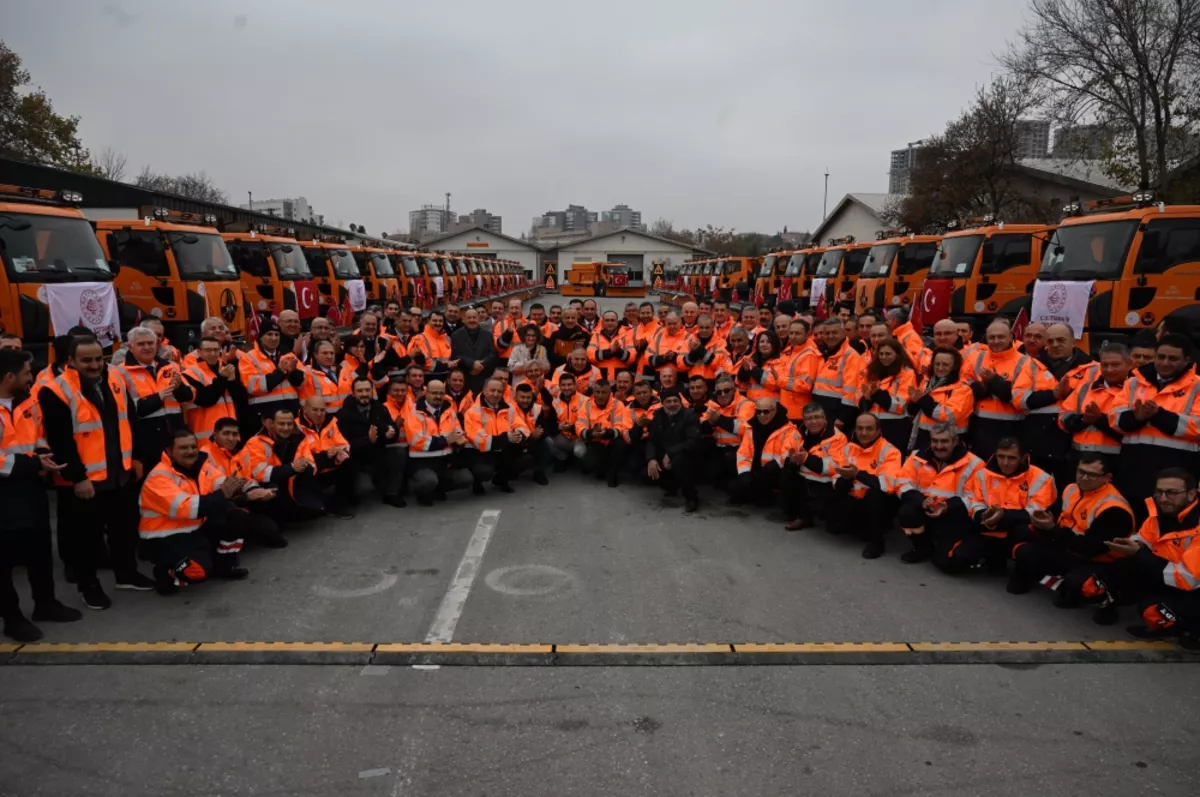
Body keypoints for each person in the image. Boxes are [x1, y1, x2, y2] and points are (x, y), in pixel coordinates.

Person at [40, 337, 153, 608]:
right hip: (86, 481)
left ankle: (126, 573)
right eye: (86, 360)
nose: (94, 365)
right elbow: (61, 441)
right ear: (72, 361)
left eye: (98, 359)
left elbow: (131, 420)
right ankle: (88, 585)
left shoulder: (115, 378)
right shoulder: (55, 390)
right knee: (86, 539)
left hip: (120, 473)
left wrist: (137, 458)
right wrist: (78, 478)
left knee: (123, 530)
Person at [0, 349, 80, 641]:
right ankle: (12, 618)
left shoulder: (27, 402)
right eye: (25, 373)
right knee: (4, 560)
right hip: (4, 495)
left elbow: (37, 435)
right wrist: (34, 463)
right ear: (9, 377)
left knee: (40, 550)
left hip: (30, 488)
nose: (30, 377)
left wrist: (44, 452)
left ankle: (45, 603)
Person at [1009, 454, 1135, 615]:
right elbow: (1056, 517)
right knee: (1024, 547)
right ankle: (1046, 580)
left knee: (1074, 587)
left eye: (1091, 475)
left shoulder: (1113, 508)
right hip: (1068, 548)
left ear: (1107, 477)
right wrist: (1042, 522)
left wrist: (1052, 530)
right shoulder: (1071, 489)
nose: (1083, 478)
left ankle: (1103, 598)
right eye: (1081, 471)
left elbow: (1092, 549)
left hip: (1099, 561)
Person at [139, 429, 251, 595]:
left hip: (194, 528)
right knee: (198, 572)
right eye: (184, 448)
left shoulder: (200, 465)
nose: (190, 451)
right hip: (165, 538)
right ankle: (166, 574)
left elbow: (219, 482)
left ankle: (224, 566)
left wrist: (240, 488)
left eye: (193, 446)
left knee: (237, 515)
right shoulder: (159, 477)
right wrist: (223, 494)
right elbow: (186, 508)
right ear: (169, 451)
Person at [1110, 333, 1200, 522]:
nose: (1165, 362)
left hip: (1177, 472)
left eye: (1173, 358)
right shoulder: (1134, 381)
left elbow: (1197, 426)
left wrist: (1159, 415)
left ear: (1187, 360)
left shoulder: (1197, 386)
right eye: (1161, 356)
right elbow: (1114, 419)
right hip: (1133, 469)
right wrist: (1137, 417)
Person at [1114, 468, 1200, 647]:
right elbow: (1144, 538)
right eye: (1159, 492)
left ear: (1192, 494)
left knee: (1152, 610)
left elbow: (1188, 579)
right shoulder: (1160, 514)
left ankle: (1193, 632)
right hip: (1171, 578)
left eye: (1171, 493)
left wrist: (1139, 554)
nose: (1163, 498)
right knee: (1121, 570)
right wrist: (1131, 544)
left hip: (1192, 587)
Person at [1015, 323, 1098, 490]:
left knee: (1068, 491)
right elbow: (1019, 400)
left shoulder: (1093, 368)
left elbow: (1094, 401)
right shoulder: (1032, 365)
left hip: (1073, 442)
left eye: (1061, 340)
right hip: (1038, 442)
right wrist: (1054, 394)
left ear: (1073, 342)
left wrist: (1067, 395)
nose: (1055, 345)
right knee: (1035, 490)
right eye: (1050, 341)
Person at [894, 423, 987, 568]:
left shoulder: (975, 464)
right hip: (925, 509)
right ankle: (922, 548)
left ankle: (947, 548)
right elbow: (901, 483)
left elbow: (975, 497)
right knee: (907, 512)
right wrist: (922, 501)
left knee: (946, 563)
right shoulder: (916, 456)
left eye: (944, 441)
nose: (938, 446)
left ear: (955, 441)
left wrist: (947, 506)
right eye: (935, 441)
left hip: (954, 517)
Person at [963, 437, 1057, 573]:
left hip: (1019, 532)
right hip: (989, 528)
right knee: (956, 558)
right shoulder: (982, 475)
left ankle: (1023, 570)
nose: (1005, 463)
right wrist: (983, 515)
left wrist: (1002, 516)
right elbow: (974, 502)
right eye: (1001, 457)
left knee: (1025, 530)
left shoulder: (1042, 478)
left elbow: (1035, 513)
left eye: (1011, 458)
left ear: (1023, 458)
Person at [815, 413, 902, 559]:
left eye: (869, 429)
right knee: (831, 523)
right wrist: (846, 478)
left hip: (877, 503)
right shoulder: (848, 448)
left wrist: (857, 474)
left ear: (878, 431)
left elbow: (888, 485)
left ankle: (877, 542)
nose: (863, 433)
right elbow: (836, 478)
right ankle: (856, 524)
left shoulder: (890, 452)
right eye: (860, 428)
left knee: (875, 496)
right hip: (853, 499)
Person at [113, 326, 194, 467]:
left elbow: (189, 397)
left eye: (150, 343)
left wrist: (179, 387)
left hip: (174, 435)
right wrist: (159, 397)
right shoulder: (120, 372)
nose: (147, 347)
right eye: (141, 344)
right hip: (146, 439)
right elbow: (130, 409)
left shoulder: (170, 366)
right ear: (130, 347)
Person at [201, 418, 286, 548]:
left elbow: (246, 478)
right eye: (226, 433)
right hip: (220, 505)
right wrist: (247, 496)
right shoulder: (205, 454)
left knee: (274, 531)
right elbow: (218, 487)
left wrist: (256, 491)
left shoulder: (241, 451)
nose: (231, 438)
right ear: (215, 434)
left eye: (234, 434)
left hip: (240, 499)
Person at [238, 407, 324, 522]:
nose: (286, 428)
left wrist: (302, 466)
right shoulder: (256, 442)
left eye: (289, 424)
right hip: (261, 486)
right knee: (274, 489)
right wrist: (292, 468)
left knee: (308, 474)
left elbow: (311, 464)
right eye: (281, 424)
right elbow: (260, 474)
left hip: (290, 483)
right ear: (272, 424)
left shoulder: (299, 438)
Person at [964, 319, 1032, 460]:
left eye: (1001, 337)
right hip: (979, 425)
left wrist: (994, 382)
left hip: (1011, 427)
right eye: (992, 337)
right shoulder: (975, 357)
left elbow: (1017, 397)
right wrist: (982, 388)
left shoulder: (1024, 362)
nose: (996, 341)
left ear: (1011, 337)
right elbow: (964, 383)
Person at [335, 376, 405, 509]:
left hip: (378, 454)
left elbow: (390, 428)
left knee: (399, 453)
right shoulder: (343, 414)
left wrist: (392, 432)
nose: (364, 394)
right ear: (353, 393)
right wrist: (367, 440)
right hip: (357, 459)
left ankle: (392, 494)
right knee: (364, 489)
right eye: (360, 391)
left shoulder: (379, 408)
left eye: (367, 390)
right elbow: (344, 445)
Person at [1058, 341, 1132, 462]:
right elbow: (1063, 418)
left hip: (1118, 460)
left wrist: (1099, 420)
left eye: (1115, 365)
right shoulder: (1085, 388)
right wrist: (1082, 420)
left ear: (1129, 364)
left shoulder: (1137, 390)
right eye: (1105, 365)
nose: (1109, 369)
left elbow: (1133, 429)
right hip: (1080, 457)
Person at [404, 379, 474, 505]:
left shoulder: (450, 411)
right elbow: (416, 440)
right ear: (426, 393)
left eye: (441, 393)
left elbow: (458, 431)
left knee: (466, 478)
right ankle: (421, 493)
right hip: (421, 463)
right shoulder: (414, 413)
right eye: (434, 393)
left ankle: (437, 490)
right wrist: (446, 440)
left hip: (444, 461)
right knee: (428, 481)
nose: (438, 396)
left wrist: (460, 439)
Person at [729, 396, 800, 510]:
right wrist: (744, 473)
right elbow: (744, 453)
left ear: (774, 411)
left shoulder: (789, 430)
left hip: (774, 471)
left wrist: (766, 470)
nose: (762, 415)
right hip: (757, 470)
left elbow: (788, 453)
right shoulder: (751, 427)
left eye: (766, 411)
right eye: (758, 412)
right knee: (735, 485)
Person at [785, 403, 846, 531]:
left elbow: (834, 467)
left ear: (825, 418)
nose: (813, 421)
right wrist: (791, 460)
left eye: (817, 417)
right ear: (804, 421)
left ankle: (822, 512)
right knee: (786, 472)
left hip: (827, 484)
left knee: (834, 528)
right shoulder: (797, 433)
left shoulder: (838, 437)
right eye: (808, 418)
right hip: (802, 478)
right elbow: (786, 453)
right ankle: (802, 516)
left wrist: (806, 459)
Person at [462, 377, 525, 494]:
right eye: (492, 390)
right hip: (479, 452)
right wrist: (507, 437)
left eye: (499, 391)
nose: (496, 394)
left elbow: (522, 426)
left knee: (524, 459)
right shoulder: (473, 412)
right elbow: (479, 440)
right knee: (484, 472)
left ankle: (502, 480)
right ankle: (477, 482)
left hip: (501, 448)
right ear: (484, 390)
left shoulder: (509, 409)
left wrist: (519, 434)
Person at [298, 395, 358, 514]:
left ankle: (340, 503)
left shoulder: (331, 422)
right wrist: (326, 455)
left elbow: (343, 444)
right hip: (311, 468)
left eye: (322, 410)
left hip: (330, 462)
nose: (319, 413)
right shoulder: (297, 427)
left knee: (351, 463)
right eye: (315, 410)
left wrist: (340, 452)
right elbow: (302, 457)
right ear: (305, 410)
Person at [240, 320, 304, 432]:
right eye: (269, 334)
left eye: (277, 334)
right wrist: (280, 372)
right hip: (264, 415)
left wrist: (293, 372)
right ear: (260, 337)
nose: (274, 338)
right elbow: (253, 387)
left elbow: (302, 383)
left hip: (290, 412)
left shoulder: (288, 356)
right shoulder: (249, 357)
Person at [855, 337, 918, 451]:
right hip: (871, 426)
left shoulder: (907, 373)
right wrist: (867, 400)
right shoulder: (871, 372)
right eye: (881, 354)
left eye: (888, 354)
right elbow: (860, 399)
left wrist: (877, 394)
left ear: (897, 354)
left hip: (895, 426)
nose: (884, 357)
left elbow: (900, 406)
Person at [645, 389, 701, 513]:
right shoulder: (658, 415)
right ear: (663, 404)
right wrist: (651, 459)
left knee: (679, 461)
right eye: (668, 401)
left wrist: (670, 453)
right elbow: (651, 440)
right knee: (647, 471)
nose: (672, 404)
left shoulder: (690, 415)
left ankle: (692, 497)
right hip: (665, 454)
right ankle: (672, 485)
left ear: (680, 402)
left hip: (686, 455)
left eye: (675, 400)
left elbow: (692, 442)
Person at [907, 347, 973, 451]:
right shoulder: (926, 383)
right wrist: (913, 404)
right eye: (937, 364)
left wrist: (923, 400)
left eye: (945, 364)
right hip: (923, 437)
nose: (940, 368)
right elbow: (917, 413)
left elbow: (948, 416)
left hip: (949, 441)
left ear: (954, 367)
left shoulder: (963, 389)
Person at [182, 336, 241, 441]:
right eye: (208, 350)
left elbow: (240, 399)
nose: (212, 353)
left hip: (229, 431)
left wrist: (232, 382)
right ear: (199, 352)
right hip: (206, 433)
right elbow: (205, 399)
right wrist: (222, 379)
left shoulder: (224, 368)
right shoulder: (190, 373)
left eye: (216, 350)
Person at [576, 378, 632, 487]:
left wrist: (607, 433)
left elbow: (620, 426)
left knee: (621, 445)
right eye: (597, 392)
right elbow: (579, 426)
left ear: (610, 393)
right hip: (593, 441)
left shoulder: (618, 404)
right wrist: (591, 433)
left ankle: (613, 474)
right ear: (593, 392)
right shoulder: (586, 405)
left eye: (604, 392)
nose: (600, 395)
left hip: (611, 440)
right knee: (590, 465)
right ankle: (601, 468)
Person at [701, 375, 755, 485]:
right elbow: (702, 424)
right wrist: (711, 422)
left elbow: (743, 428)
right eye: (719, 392)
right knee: (711, 476)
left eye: (726, 391)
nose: (723, 394)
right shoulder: (713, 405)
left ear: (734, 390)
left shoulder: (746, 404)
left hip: (739, 450)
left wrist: (718, 419)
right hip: (719, 448)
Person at [812, 318, 865, 429]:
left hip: (838, 415)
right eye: (827, 333)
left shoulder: (851, 356)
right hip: (821, 411)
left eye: (834, 332)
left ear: (843, 333)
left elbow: (852, 391)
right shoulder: (821, 353)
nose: (830, 336)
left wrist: (843, 417)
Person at [450, 306, 499, 396]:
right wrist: (472, 363)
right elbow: (455, 355)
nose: (472, 320)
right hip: (465, 378)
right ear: (464, 319)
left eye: (474, 317)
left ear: (478, 319)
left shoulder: (487, 335)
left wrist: (481, 366)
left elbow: (493, 354)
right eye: (469, 318)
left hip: (483, 378)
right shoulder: (456, 336)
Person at [511, 382, 553, 485]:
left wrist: (538, 434)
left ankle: (539, 472)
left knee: (547, 442)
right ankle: (511, 471)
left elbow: (543, 428)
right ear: (516, 397)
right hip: (516, 440)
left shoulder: (538, 408)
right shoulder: (509, 409)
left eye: (528, 397)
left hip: (534, 440)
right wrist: (530, 434)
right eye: (522, 397)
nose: (525, 400)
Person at [298, 339, 349, 413]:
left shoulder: (340, 371)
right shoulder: (308, 373)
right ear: (315, 355)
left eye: (332, 353)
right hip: (322, 419)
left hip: (343, 418)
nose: (329, 356)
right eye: (325, 353)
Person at [549, 372, 586, 469]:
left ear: (575, 385)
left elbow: (589, 423)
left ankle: (576, 459)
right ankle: (563, 458)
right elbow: (550, 424)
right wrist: (559, 427)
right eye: (563, 385)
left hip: (580, 438)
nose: (567, 387)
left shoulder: (585, 400)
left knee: (583, 457)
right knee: (547, 441)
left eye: (569, 384)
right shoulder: (554, 403)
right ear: (560, 386)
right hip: (563, 437)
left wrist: (572, 428)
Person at [410, 310, 458, 382]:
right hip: (427, 379)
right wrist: (447, 366)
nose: (438, 323)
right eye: (435, 320)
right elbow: (424, 363)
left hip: (446, 379)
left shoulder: (447, 339)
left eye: (440, 321)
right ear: (428, 321)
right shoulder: (419, 338)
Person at [625, 378, 661, 473]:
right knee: (633, 468)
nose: (642, 396)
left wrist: (651, 423)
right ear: (634, 395)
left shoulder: (661, 406)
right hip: (638, 442)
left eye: (645, 392)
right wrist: (638, 425)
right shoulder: (628, 409)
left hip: (658, 442)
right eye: (638, 393)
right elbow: (628, 436)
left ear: (651, 392)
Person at [641, 312, 691, 380]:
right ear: (665, 324)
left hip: (680, 377)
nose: (672, 326)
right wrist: (663, 358)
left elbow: (690, 362)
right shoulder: (659, 336)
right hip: (660, 377)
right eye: (669, 324)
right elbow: (647, 359)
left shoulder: (688, 337)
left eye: (674, 323)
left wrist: (674, 357)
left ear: (680, 323)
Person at [589, 311, 636, 380]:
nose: (610, 323)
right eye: (607, 320)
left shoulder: (626, 335)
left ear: (617, 322)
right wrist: (610, 352)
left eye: (612, 320)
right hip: (600, 378)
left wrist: (618, 352)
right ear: (602, 323)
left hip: (621, 379)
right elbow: (591, 356)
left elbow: (631, 357)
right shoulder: (596, 336)